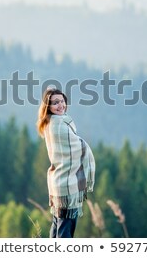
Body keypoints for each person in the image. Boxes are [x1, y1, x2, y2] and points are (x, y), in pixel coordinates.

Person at [36, 88, 96, 238]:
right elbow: (79, 146)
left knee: (57, 225)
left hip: (58, 184)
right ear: (48, 107)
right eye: (55, 103)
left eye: (62, 101)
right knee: (65, 231)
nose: (60, 105)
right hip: (68, 186)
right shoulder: (59, 125)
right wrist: (84, 146)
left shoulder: (50, 123)